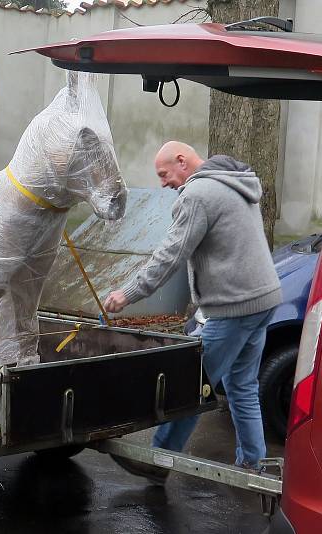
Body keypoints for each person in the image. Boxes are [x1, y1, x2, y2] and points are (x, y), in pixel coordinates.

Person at [103, 141, 281, 482]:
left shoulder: (198, 195)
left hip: (234, 306)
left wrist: (127, 294)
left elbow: (170, 256)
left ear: (182, 161)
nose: (163, 183)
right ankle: (253, 462)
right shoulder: (232, 181)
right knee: (241, 384)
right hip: (262, 299)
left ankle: (159, 460)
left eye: (164, 173)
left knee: (191, 382)